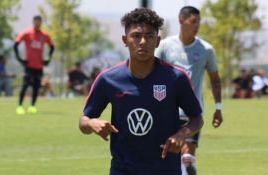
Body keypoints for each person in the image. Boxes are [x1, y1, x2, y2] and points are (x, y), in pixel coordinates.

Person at [79, 8, 203, 175]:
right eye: (136, 36)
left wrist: (182, 134)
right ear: (125, 39)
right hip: (123, 170)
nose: (143, 41)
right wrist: (91, 123)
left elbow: (197, 119)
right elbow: (83, 121)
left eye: (150, 36)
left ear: (158, 41)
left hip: (166, 169)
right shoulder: (108, 79)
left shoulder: (175, 77)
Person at [155, 6, 223, 175]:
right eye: (193, 21)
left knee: (187, 156)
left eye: (199, 22)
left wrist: (218, 108)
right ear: (181, 21)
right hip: (166, 111)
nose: (197, 25)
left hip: (192, 113)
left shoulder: (206, 50)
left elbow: (215, 80)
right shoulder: (165, 46)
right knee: (166, 156)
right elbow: (153, 74)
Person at [14, 15, 54, 114]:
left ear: (41, 23)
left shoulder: (44, 35)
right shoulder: (27, 33)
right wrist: (20, 59)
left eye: (39, 21)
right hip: (29, 66)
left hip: (39, 66)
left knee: (36, 87)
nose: (37, 23)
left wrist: (48, 59)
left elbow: (52, 46)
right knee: (25, 85)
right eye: (36, 21)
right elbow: (16, 44)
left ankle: (32, 106)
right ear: (33, 22)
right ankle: (20, 106)